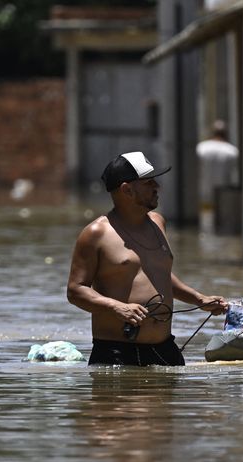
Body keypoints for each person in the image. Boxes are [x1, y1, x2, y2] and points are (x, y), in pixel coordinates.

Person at [67, 151, 229, 366]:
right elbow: (75, 290)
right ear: (127, 190)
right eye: (148, 183)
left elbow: (159, 273)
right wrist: (116, 307)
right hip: (117, 352)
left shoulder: (158, 222)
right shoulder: (96, 233)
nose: (157, 187)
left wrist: (199, 299)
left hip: (165, 348)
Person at [195, 119, 239, 234]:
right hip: (224, 195)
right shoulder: (232, 151)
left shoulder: (202, 148)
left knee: (205, 225)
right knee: (223, 227)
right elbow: (234, 173)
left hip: (204, 192)